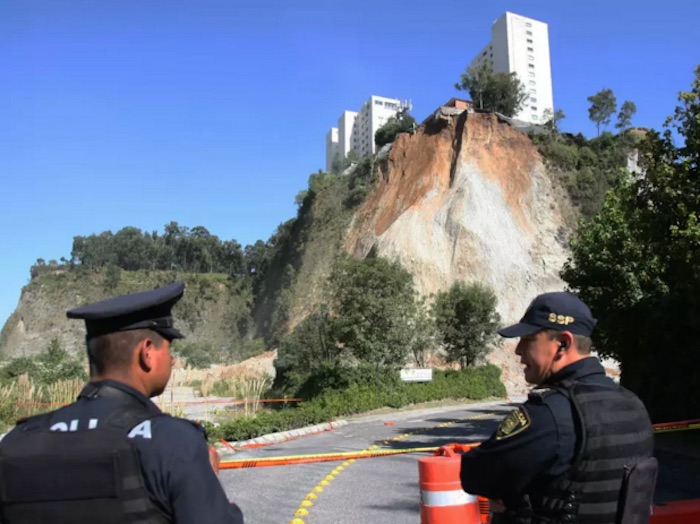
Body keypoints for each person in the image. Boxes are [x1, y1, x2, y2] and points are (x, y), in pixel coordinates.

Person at [0, 282, 244, 524]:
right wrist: (206, 479)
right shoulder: (173, 443)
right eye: (168, 350)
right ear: (147, 352)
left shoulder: (17, 441)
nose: (172, 361)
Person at [460, 291, 656, 524]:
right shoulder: (633, 404)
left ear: (563, 344)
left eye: (528, 339)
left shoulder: (552, 413)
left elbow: (476, 474)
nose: (518, 350)